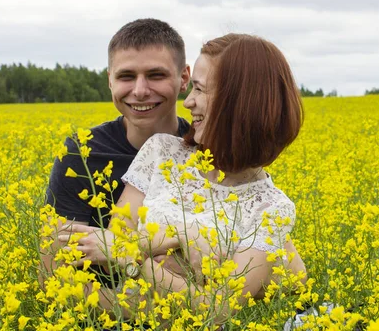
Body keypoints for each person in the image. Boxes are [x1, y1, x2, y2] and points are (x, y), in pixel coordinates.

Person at [60, 33, 308, 325]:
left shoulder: (271, 209)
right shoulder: (161, 151)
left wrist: (135, 259)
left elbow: (217, 310)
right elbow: (117, 234)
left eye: (201, 90)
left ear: (239, 104)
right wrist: (184, 235)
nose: (188, 102)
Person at [41, 18, 191, 278]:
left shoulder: (209, 153)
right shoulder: (82, 153)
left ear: (184, 78)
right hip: (99, 317)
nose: (140, 90)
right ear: (110, 80)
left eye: (156, 75)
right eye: (126, 76)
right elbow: (53, 276)